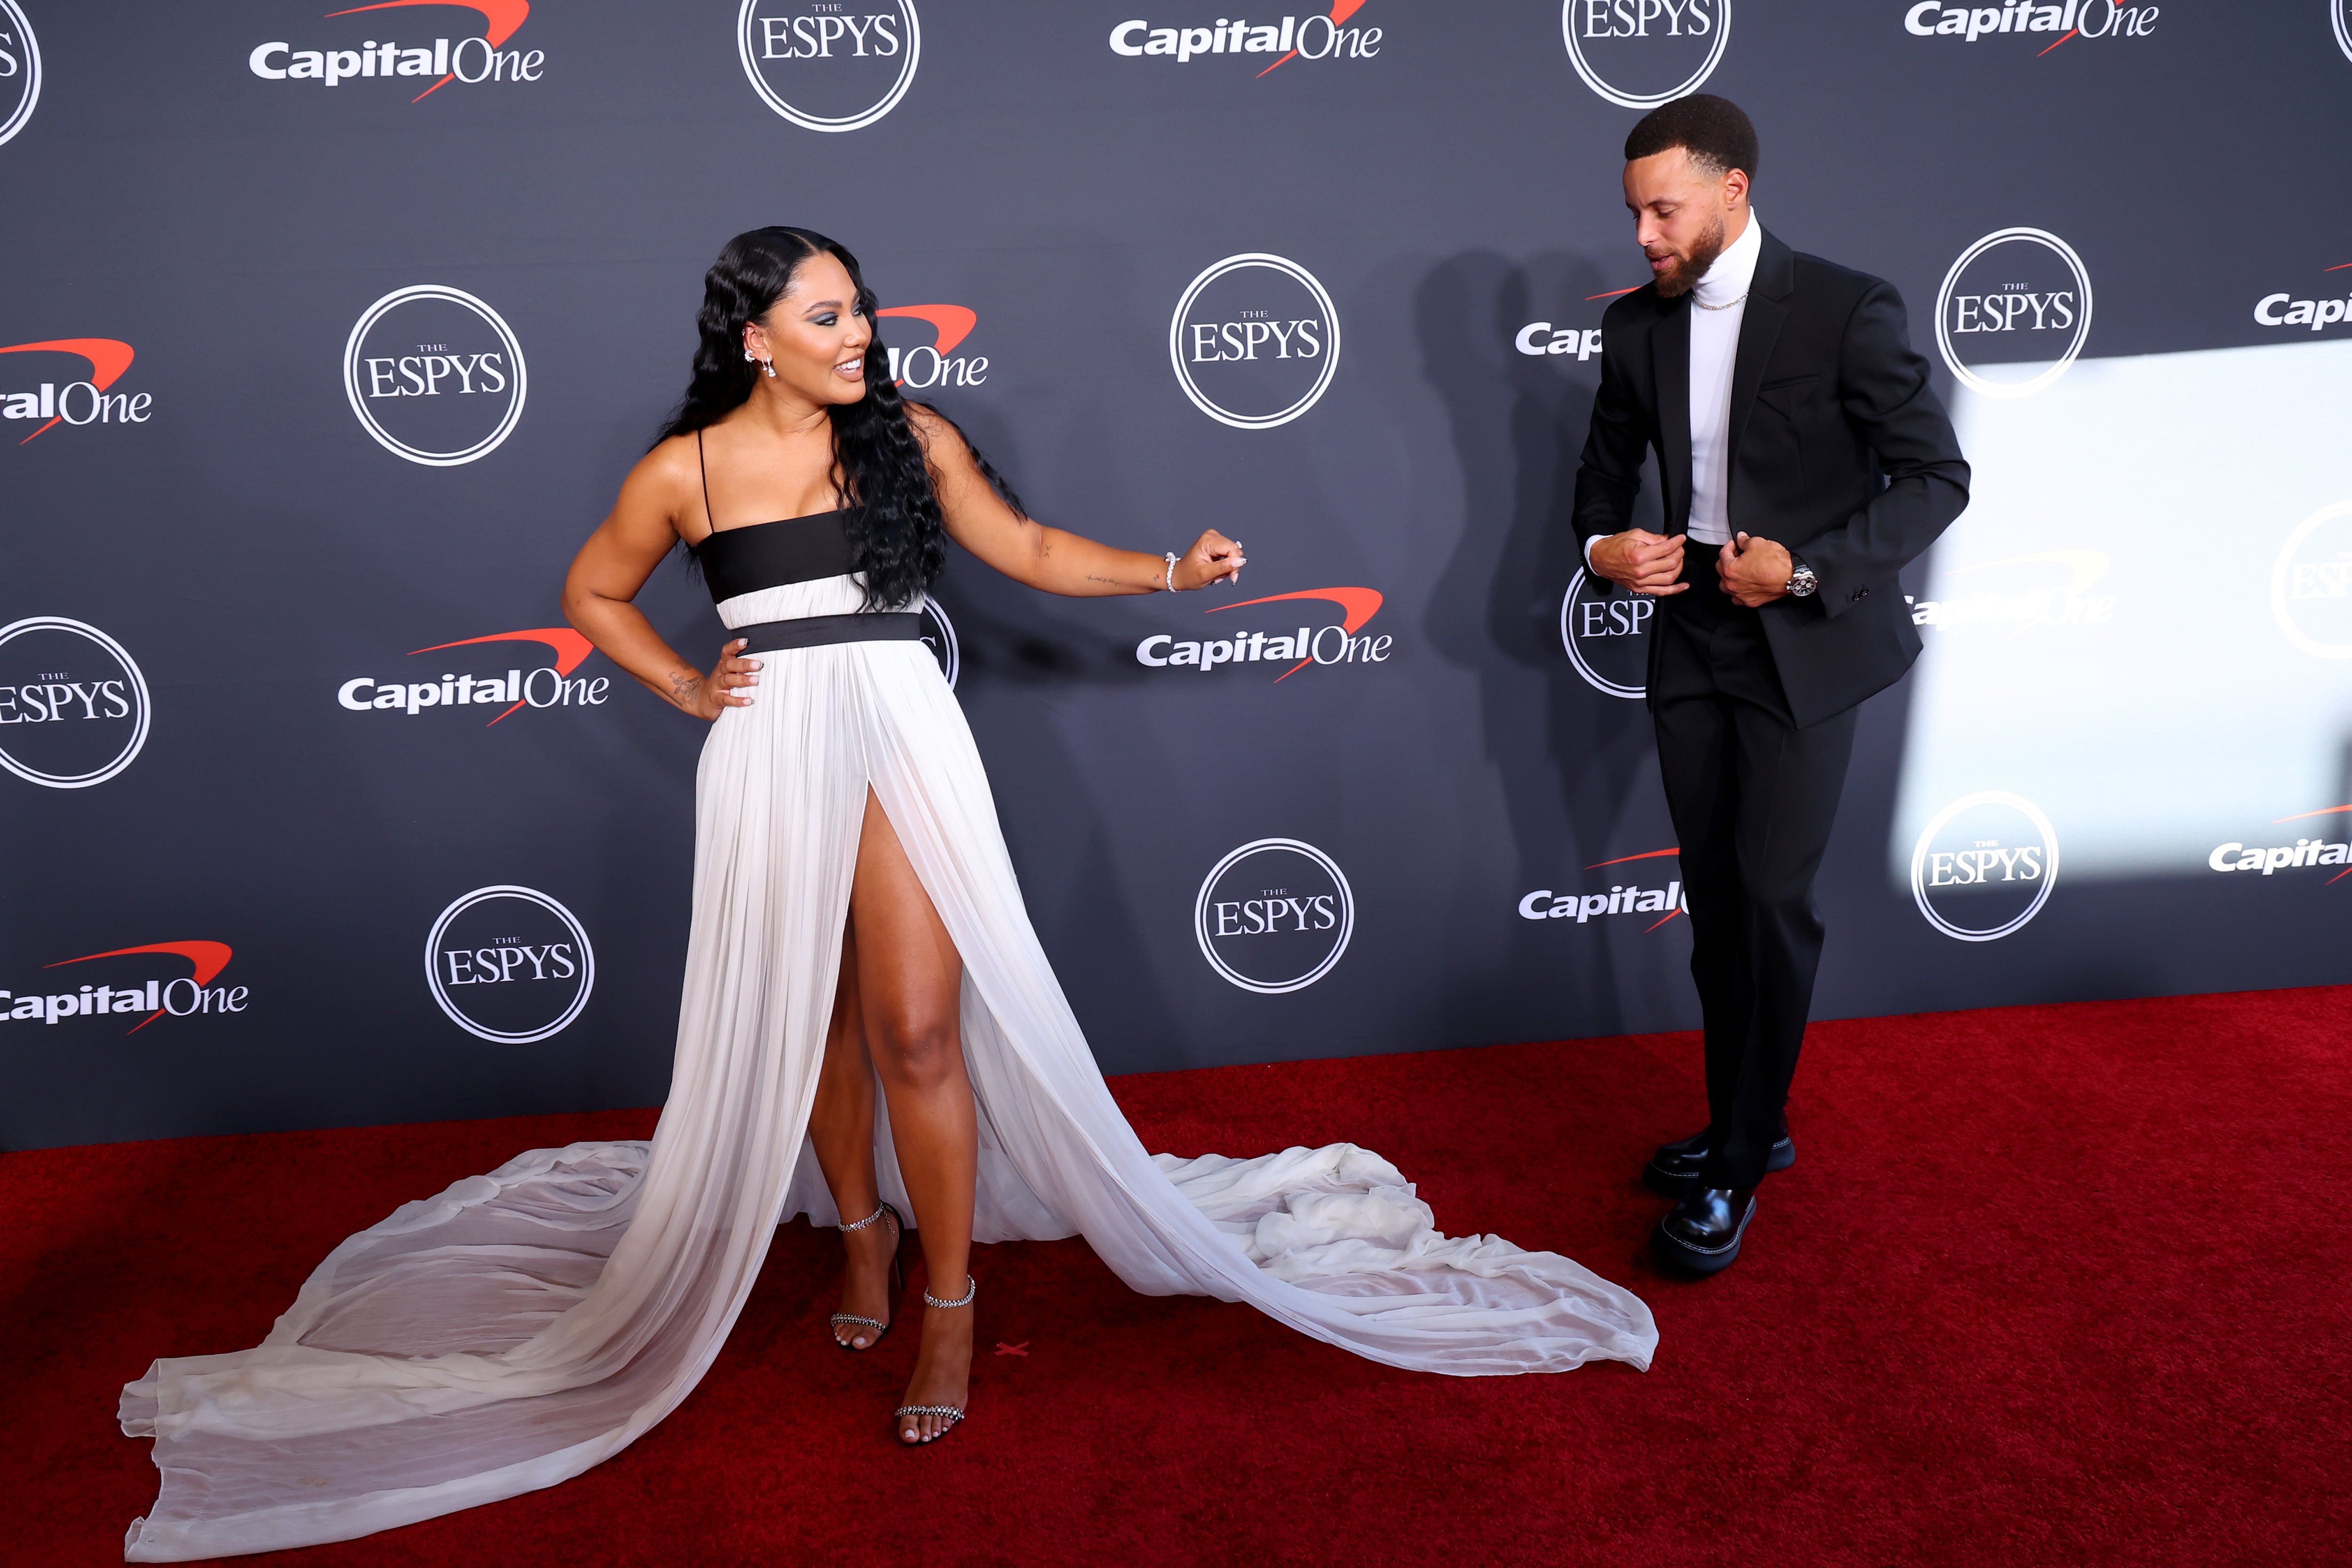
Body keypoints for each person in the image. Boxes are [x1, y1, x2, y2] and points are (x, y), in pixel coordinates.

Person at [117, 228, 1656, 1562]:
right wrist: (677, 681)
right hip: (771, 740)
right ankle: (853, 1228)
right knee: (808, 1028)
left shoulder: (904, 434)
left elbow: (1030, 545)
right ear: (754, 334)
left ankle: (945, 1291)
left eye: (864, 310)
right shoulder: (684, 469)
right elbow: (590, 591)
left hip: (905, 739)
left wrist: (1172, 572)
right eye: (831, 315)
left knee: (918, 1027)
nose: (864, 335)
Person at [1573, 100, 1970, 1274]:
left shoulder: (1847, 307)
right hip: (1690, 634)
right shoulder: (1637, 328)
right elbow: (1600, 473)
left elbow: (1935, 477)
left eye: (1664, 209)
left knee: (1771, 899)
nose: (1643, 233)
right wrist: (1602, 546)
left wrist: (1803, 567)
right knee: (1714, 900)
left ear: (1732, 191)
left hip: (1805, 640)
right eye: (1634, 211)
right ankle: (1742, 1121)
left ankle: (1740, 1162)